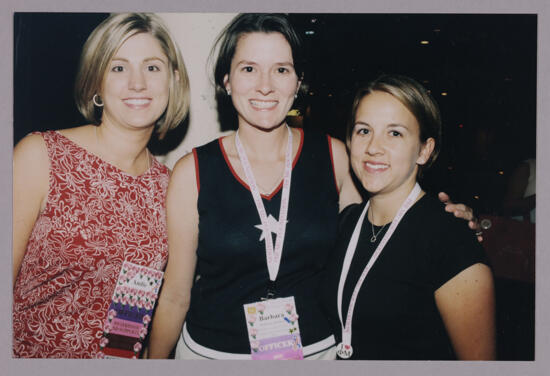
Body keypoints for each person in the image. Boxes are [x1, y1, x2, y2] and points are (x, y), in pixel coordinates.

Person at [148, 14, 478, 360]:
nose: (265, 85)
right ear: (227, 81)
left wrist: (448, 222)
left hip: (317, 353)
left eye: (281, 70)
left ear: (298, 82)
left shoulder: (334, 156)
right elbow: (175, 295)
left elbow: (380, 232)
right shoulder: (193, 171)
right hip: (210, 354)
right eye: (248, 69)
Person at [12, 13, 190, 358]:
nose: (137, 83)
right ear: (96, 82)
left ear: (173, 80)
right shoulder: (41, 156)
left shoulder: (171, 187)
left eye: (152, 67)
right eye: (118, 68)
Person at [321, 74, 495, 360]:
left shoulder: (450, 239)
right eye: (364, 131)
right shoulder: (347, 223)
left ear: (424, 150)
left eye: (395, 133)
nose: (373, 147)